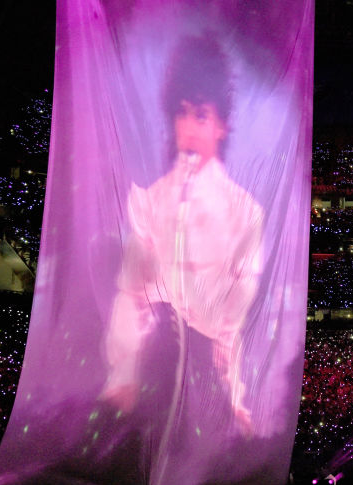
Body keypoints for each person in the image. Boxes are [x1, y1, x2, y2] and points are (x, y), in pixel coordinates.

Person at [101, 34, 264, 436]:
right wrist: (124, 374)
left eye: (202, 116)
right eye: (182, 113)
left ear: (222, 125)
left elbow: (231, 325)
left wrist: (234, 396)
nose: (189, 129)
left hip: (202, 384)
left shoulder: (245, 214)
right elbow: (131, 295)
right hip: (150, 377)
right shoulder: (149, 203)